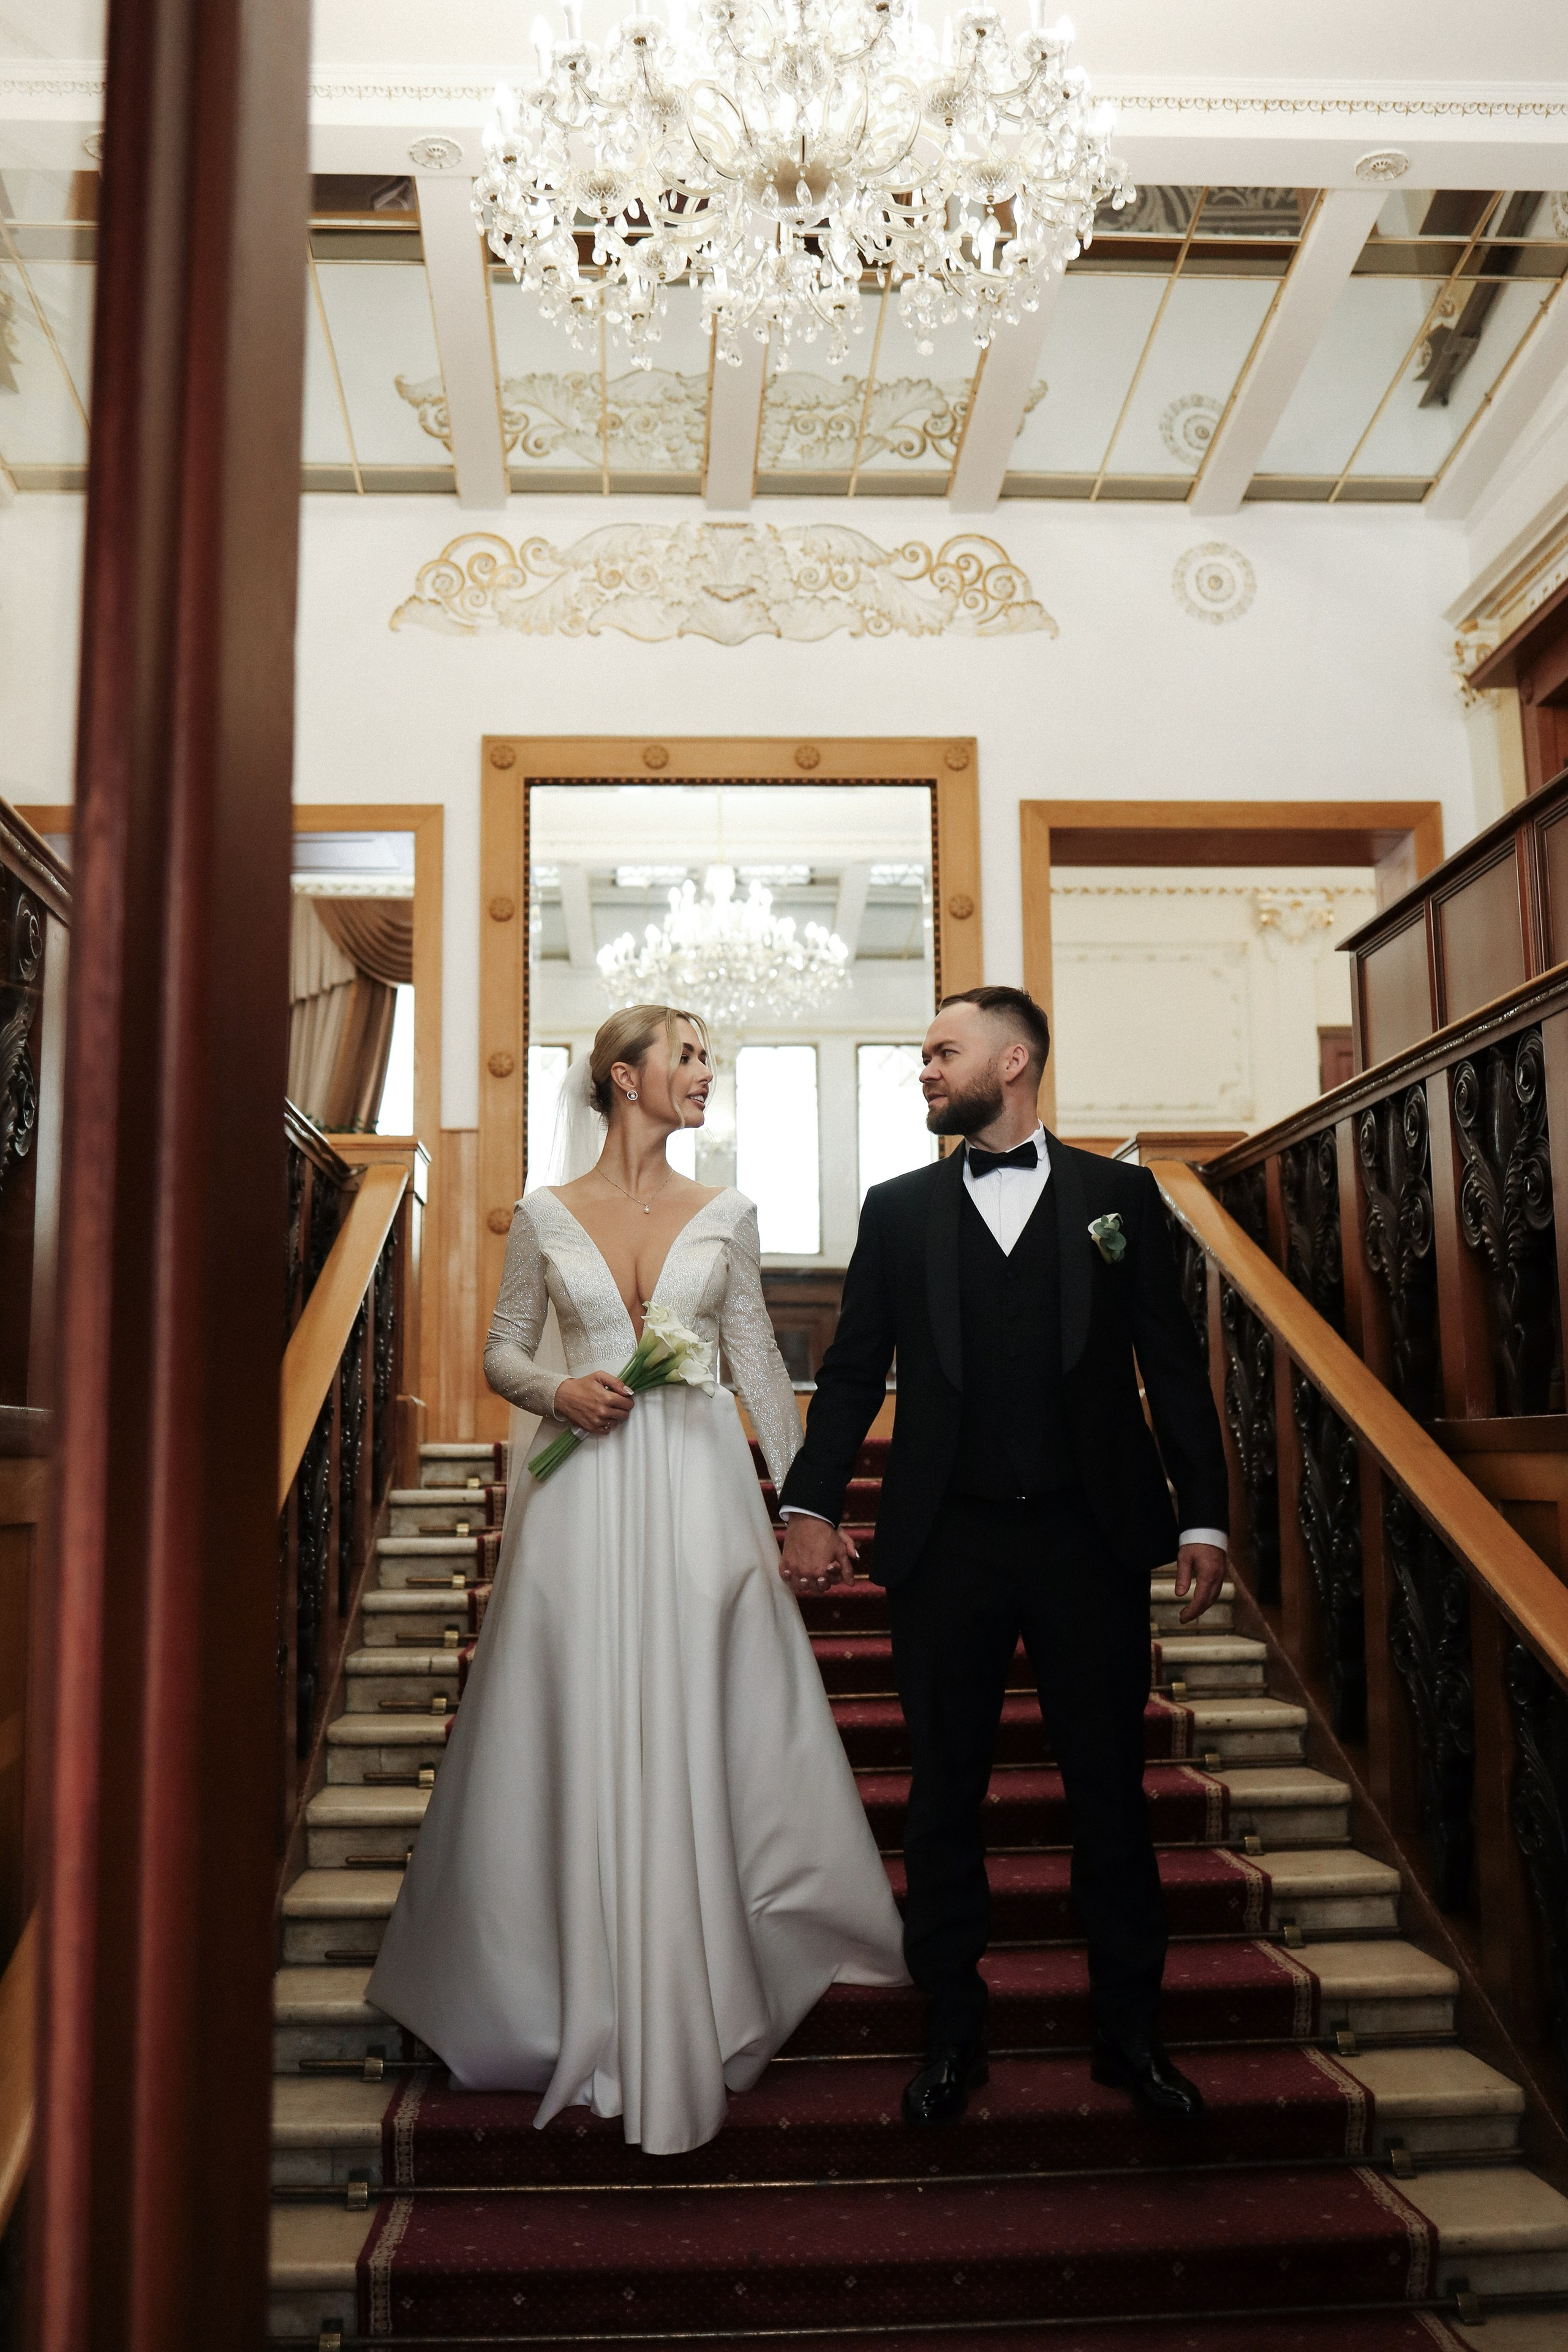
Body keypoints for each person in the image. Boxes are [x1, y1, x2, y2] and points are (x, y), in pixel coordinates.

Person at [368, 1004, 907, 2156]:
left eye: (707, 1057)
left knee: (707, 1707)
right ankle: (565, 1979)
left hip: (699, 1488)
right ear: (624, 1077)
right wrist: (556, 1392)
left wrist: (803, 1501)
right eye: (688, 1056)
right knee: (580, 1711)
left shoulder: (730, 1212)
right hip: (585, 1497)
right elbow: (504, 1348)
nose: (706, 1073)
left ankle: (714, 1959)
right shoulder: (544, 1213)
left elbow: (757, 1356)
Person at [777, 986, 1229, 2128]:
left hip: (1090, 1537)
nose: (924, 1070)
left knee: (1110, 1801)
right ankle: (950, 2035)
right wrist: (811, 1503)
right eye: (924, 1055)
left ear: (1014, 1060)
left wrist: (1204, 1518)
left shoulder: (1119, 1200)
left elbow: (1172, 1368)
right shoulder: (897, 1211)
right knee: (942, 1802)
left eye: (943, 1051)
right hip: (950, 1544)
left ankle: (1132, 2037)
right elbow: (851, 1373)